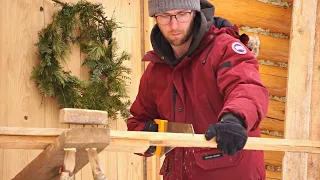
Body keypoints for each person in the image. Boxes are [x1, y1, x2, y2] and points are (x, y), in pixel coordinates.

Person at [126, 0, 269, 179]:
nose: (174, 24)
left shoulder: (224, 49)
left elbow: (247, 86)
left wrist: (234, 120)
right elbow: (137, 121)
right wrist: (147, 134)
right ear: (155, 18)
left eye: (182, 14)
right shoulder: (155, 71)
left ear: (195, 12)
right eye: (165, 16)